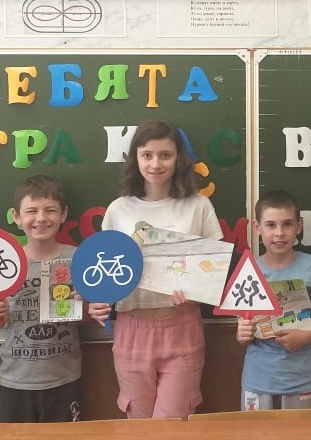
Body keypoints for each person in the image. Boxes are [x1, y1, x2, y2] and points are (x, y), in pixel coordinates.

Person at [86, 119, 223, 419]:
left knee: (172, 425)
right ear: (136, 158)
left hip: (182, 325)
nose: (155, 164)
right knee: (139, 425)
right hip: (131, 329)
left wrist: (198, 289)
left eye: (165, 155)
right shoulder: (118, 209)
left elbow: (214, 267)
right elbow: (104, 273)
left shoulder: (198, 206)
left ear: (178, 158)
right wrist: (98, 303)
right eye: (147, 155)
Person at [0, 175, 83, 423]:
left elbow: (90, 316)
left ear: (63, 214)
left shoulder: (78, 259)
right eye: (31, 211)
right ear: (16, 217)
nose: (41, 218)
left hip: (64, 378)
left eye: (50, 210)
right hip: (16, 379)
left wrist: (85, 303)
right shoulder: (4, 262)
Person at [236, 190, 311, 417]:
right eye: (270, 225)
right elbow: (243, 326)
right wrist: (242, 333)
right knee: (256, 434)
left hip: (303, 379)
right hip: (258, 380)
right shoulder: (249, 269)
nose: (279, 233)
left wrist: (307, 337)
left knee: (304, 434)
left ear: (299, 226)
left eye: (287, 224)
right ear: (257, 227)